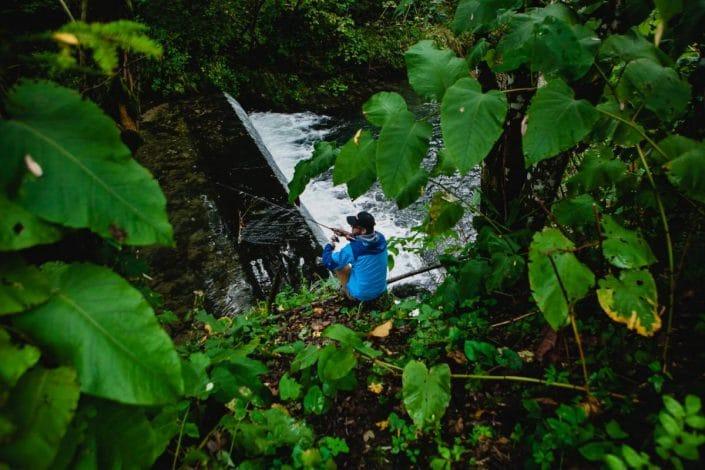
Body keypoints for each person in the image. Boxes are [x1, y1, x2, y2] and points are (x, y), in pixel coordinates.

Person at [322, 211, 388, 302]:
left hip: (361, 296)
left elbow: (328, 262)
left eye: (353, 226)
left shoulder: (352, 250)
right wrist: (346, 234)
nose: (351, 227)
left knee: (339, 266)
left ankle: (346, 292)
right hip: (380, 290)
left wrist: (329, 245)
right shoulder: (381, 238)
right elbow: (365, 243)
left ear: (363, 230)